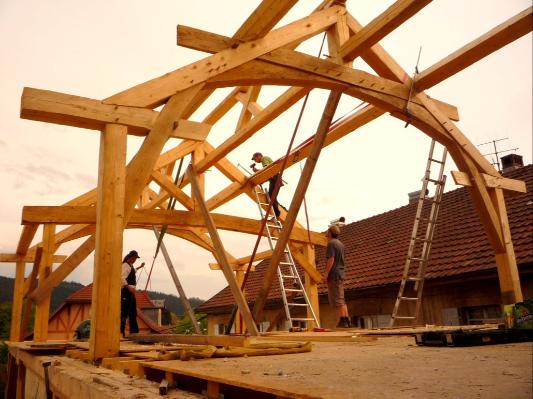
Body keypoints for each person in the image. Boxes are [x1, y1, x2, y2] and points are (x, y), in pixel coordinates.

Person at [324, 225, 350, 328]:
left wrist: (326, 273)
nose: (326, 232)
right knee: (341, 298)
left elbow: (331, 259)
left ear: (330, 232)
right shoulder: (340, 244)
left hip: (334, 274)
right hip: (340, 273)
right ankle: (346, 320)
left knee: (338, 299)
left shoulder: (331, 243)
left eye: (328, 230)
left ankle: (343, 321)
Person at [120, 250, 144, 337]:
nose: (134, 260)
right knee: (124, 312)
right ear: (130, 257)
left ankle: (134, 332)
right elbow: (121, 277)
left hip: (131, 292)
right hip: (126, 291)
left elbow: (133, 271)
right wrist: (128, 287)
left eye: (135, 258)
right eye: (133, 258)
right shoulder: (125, 265)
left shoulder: (130, 266)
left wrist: (140, 267)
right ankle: (120, 332)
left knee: (133, 312)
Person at [250, 152, 281, 218]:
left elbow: (266, 169)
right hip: (273, 180)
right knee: (271, 196)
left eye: (255, 159)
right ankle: (276, 213)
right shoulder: (264, 160)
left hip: (275, 179)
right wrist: (257, 171)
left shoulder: (264, 159)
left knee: (272, 197)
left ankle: (277, 214)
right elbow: (268, 173)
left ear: (258, 156)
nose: (255, 161)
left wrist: (257, 171)